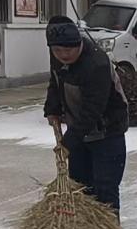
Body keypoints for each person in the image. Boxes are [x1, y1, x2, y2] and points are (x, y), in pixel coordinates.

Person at [43, 16, 129, 216]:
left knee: (105, 191)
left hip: (108, 132)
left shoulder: (96, 64)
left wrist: (67, 143)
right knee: (81, 188)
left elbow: (92, 110)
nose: (63, 55)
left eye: (68, 50)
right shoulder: (56, 55)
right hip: (80, 132)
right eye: (57, 51)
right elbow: (56, 82)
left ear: (79, 44)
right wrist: (52, 109)